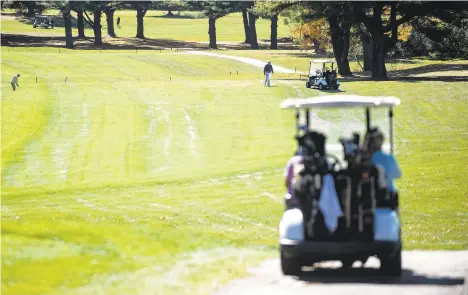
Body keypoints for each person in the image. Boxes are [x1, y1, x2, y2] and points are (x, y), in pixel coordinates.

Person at [367, 127, 402, 193]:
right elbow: (398, 174)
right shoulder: (390, 157)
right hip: (390, 195)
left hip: (375, 196)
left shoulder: (369, 160)